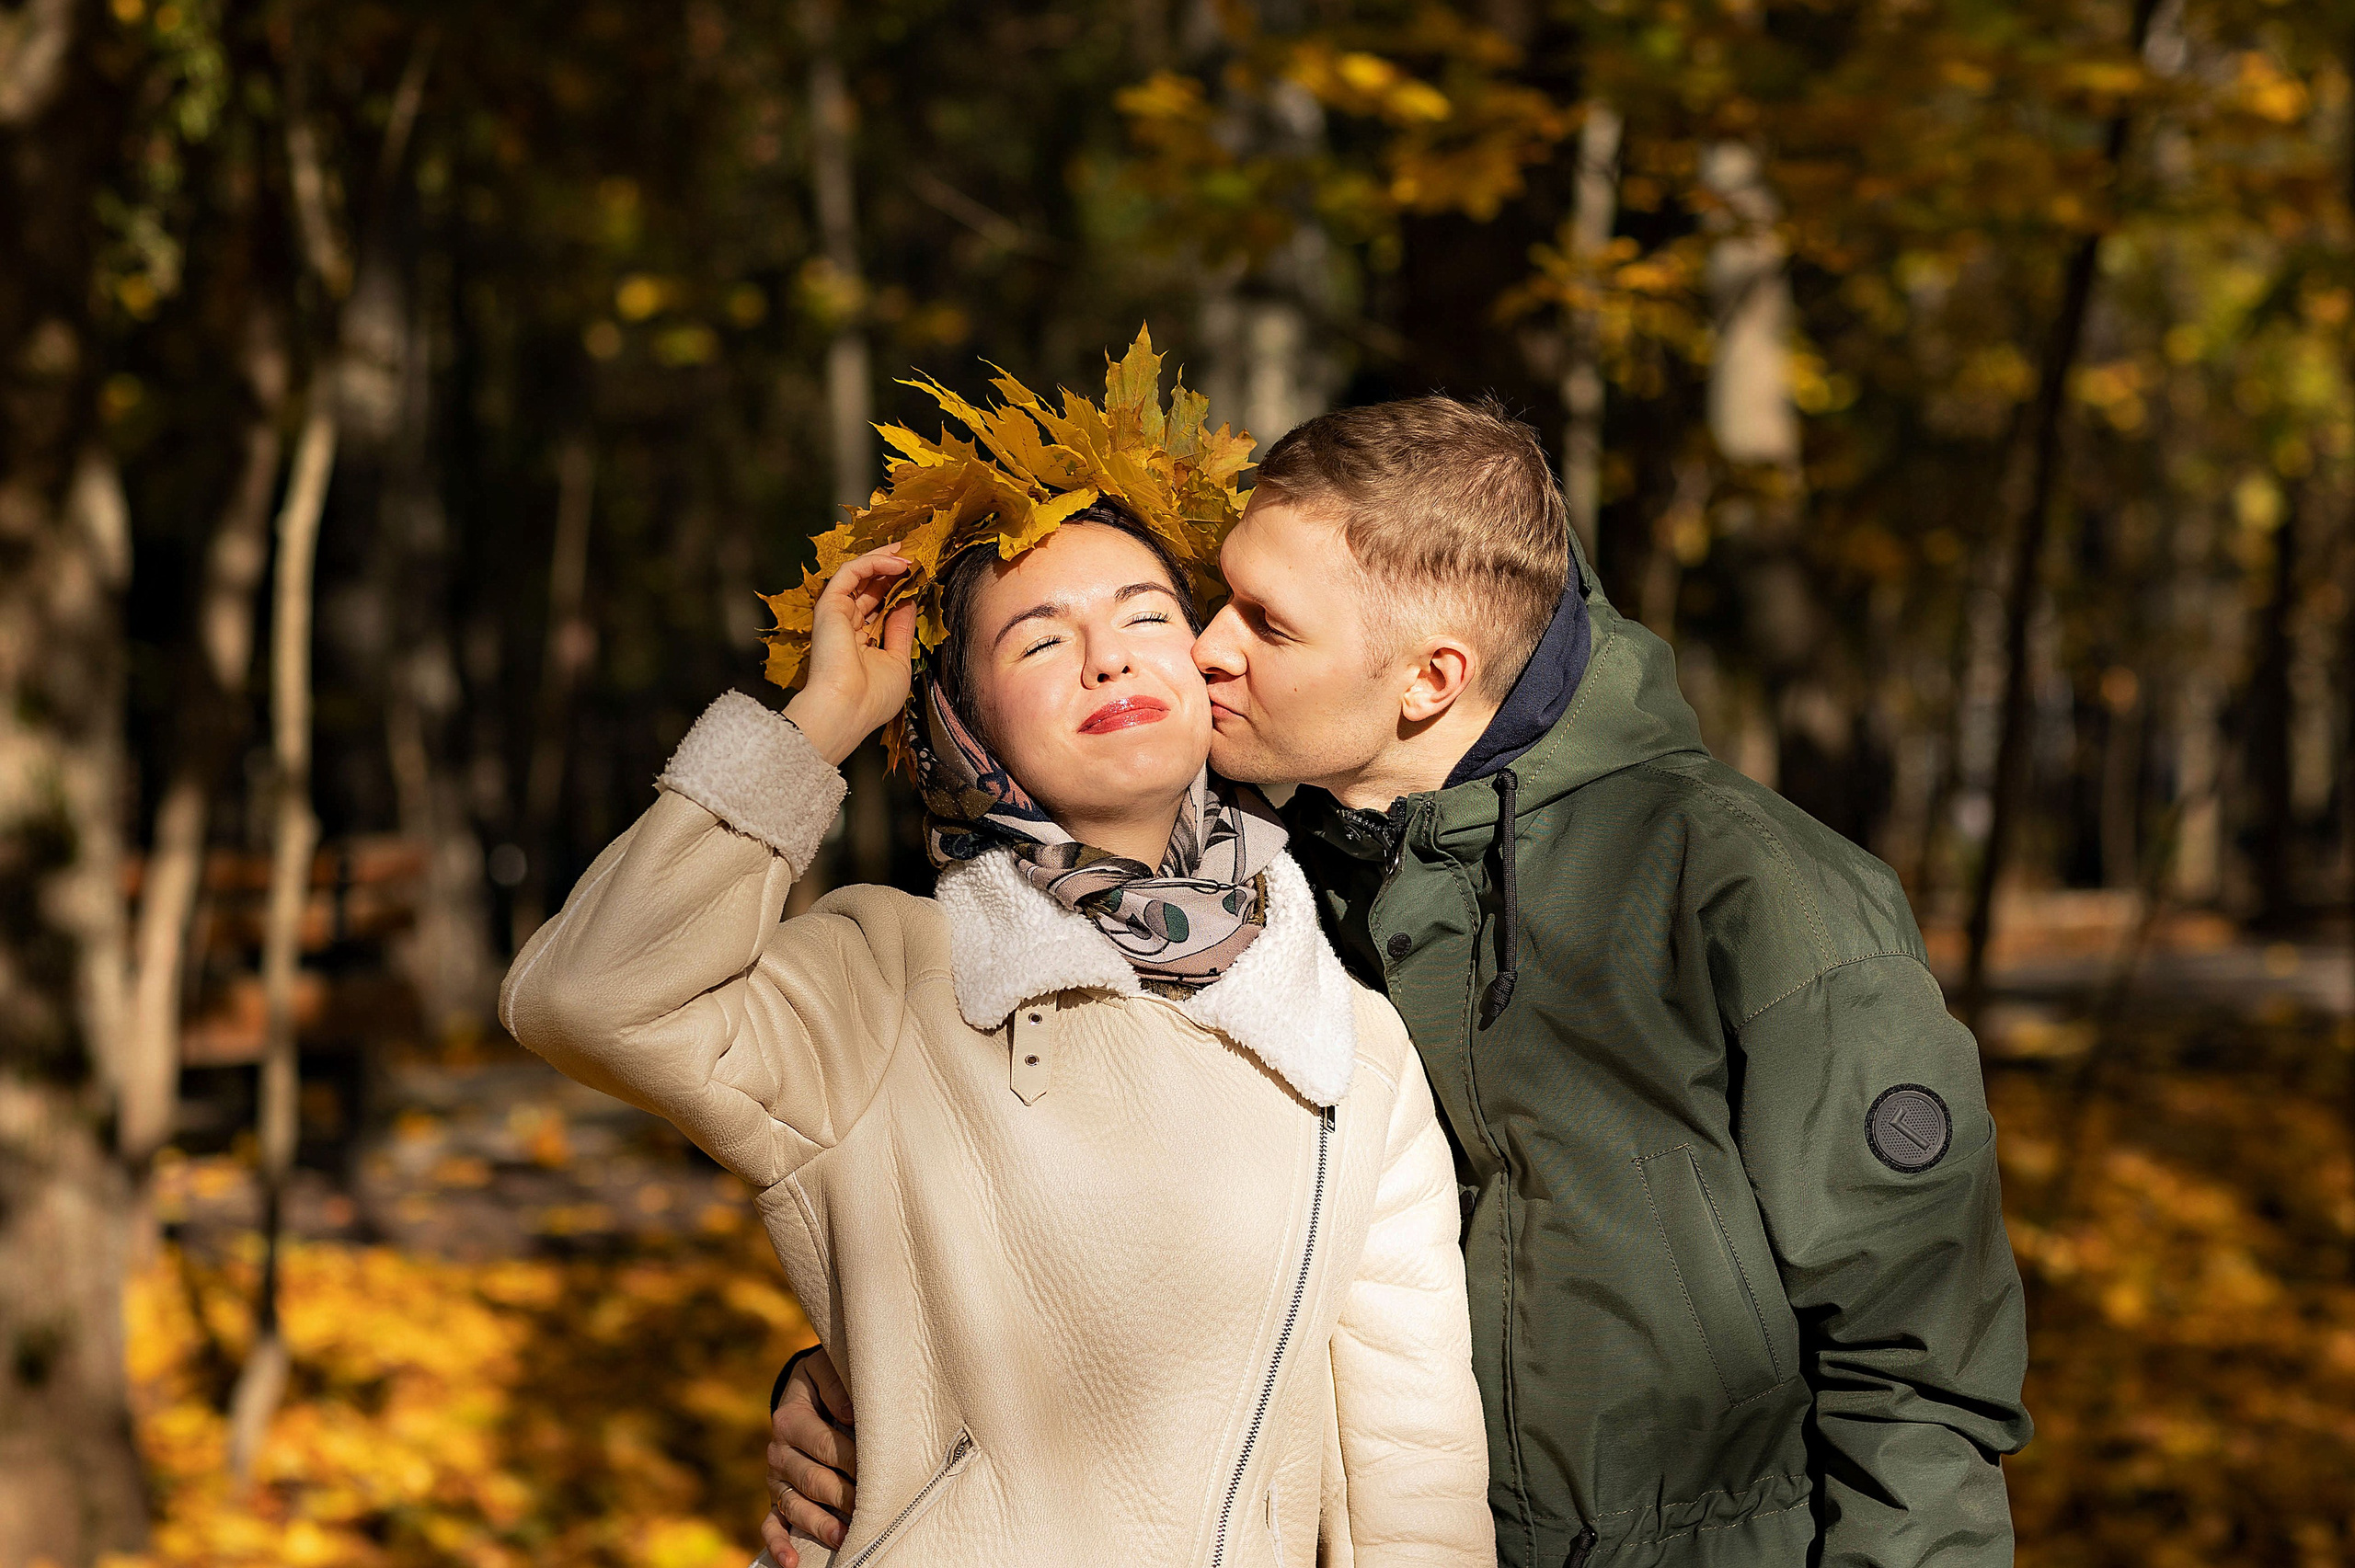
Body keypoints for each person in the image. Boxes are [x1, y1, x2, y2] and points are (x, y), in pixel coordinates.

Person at [768, 395, 2032, 1568]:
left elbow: (1917, 1381)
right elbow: (1085, 1219)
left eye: (1265, 625)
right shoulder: (1254, 894)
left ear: (1430, 679)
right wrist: (866, 1368)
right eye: (1219, 601)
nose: (1203, 648)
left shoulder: (1756, 897)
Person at [504, 459, 1496, 1561]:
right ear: (963, 729)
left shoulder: (1349, 1044)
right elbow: (586, 1000)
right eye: (1038, 639)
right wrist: (823, 719)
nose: (1106, 655)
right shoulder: (885, 978)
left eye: (1146, 614)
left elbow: (1413, 1470)